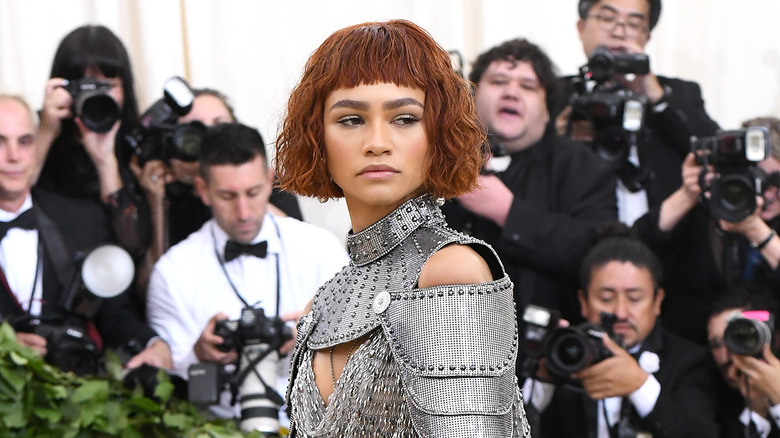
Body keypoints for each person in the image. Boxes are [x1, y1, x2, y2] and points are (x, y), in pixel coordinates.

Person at [275, 20, 530, 437]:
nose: (377, 141)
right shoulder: (326, 301)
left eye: (405, 118)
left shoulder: (451, 271)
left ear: (438, 134)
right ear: (318, 137)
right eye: (352, 119)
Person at [146, 123, 347, 428]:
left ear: (270, 182)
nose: (243, 212)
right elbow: (166, 381)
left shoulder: (319, 250)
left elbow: (367, 353)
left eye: (253, 192)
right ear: (203, 190)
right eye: (227, 196)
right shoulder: (173, 272)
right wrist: (198, 355)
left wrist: (315, 341)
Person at [442, 38, 617, 327]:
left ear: (548, 109)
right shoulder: (439, 160)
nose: (511, 92)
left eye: (527, 86)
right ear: (471, 96)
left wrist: (508, 213)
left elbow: (598, 257)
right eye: (499, 81)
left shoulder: (582, 167)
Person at [0, 94, 170, 374]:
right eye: (1, 142)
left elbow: (114, 311)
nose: (14, 156)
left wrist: (152, 343)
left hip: (78, 398)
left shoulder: (81, 219)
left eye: (25, 141)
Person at [524, 234, 720, 437]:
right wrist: (544, 377)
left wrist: (640, 385)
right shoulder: (565, 352)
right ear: (583, 301)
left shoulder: (689, 362)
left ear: (657, 301)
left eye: (634, 298)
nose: (620, 312)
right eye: (606, 298)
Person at [554, 0, 719, 225]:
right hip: (576, 237)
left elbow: (713, 150)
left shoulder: (679, 93)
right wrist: (558, 135)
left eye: (633, 23)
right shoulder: (552, 93)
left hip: (666, 244)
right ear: (581, 28)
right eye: (607, 19)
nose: (619, 32)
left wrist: (656, 96)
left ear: (646, 37)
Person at [130, 88, 302, 295]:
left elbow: (301, 250)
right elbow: (150, 290)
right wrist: (158, 200)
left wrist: (232, 179)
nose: (209, 139)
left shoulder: (267, 183)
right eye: (196, 130)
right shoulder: (168, 192)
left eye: (219, 125)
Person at [633, 116, 780, 344]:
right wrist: (687, 194)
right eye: (755, 178)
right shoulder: (701, 213)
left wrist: (757, 231)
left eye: (775, 182)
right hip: (696, 349)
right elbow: (634, 250)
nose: (767, 193)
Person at [34, 25, 150, 261]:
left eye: (107, 85)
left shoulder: (140, 143)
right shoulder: (36, 136)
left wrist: (106, 161)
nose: (96, 95)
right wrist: (46, 131)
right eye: (84, 85)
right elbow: (10, 199)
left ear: (125, 89)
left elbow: (134, 245)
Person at [707, 288, 780, 438]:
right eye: (716, 344)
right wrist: (757, 411)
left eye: (739, 337)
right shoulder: (715, 401)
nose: (725, 356)